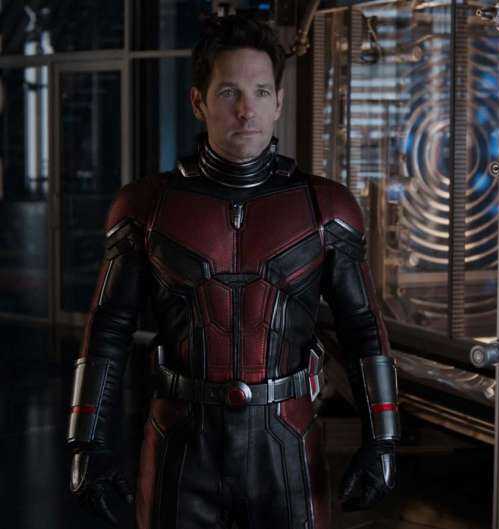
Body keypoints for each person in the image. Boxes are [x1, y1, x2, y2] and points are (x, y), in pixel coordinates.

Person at [66, 15, 399, 529]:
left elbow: (363, 328)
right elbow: (108, 328)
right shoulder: (146, 207)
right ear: (198, 102)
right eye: (229, 92)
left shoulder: (326, 208)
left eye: (261, 92)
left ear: (279, 102)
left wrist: (383, 439)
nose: (247, 110)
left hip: (287, 447)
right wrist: (86, 442)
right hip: (181, 447)